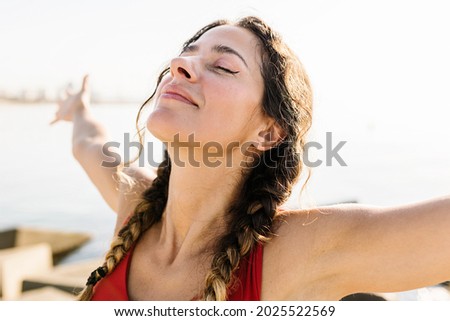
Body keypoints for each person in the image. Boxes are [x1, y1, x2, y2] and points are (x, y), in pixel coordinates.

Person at [50, 16, 450, 301]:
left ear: (268, 132)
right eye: (185, 55)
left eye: (223, 66)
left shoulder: (295, 253)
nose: (179, 66)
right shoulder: (135, 205)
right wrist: (78, 109)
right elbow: (89, 141)